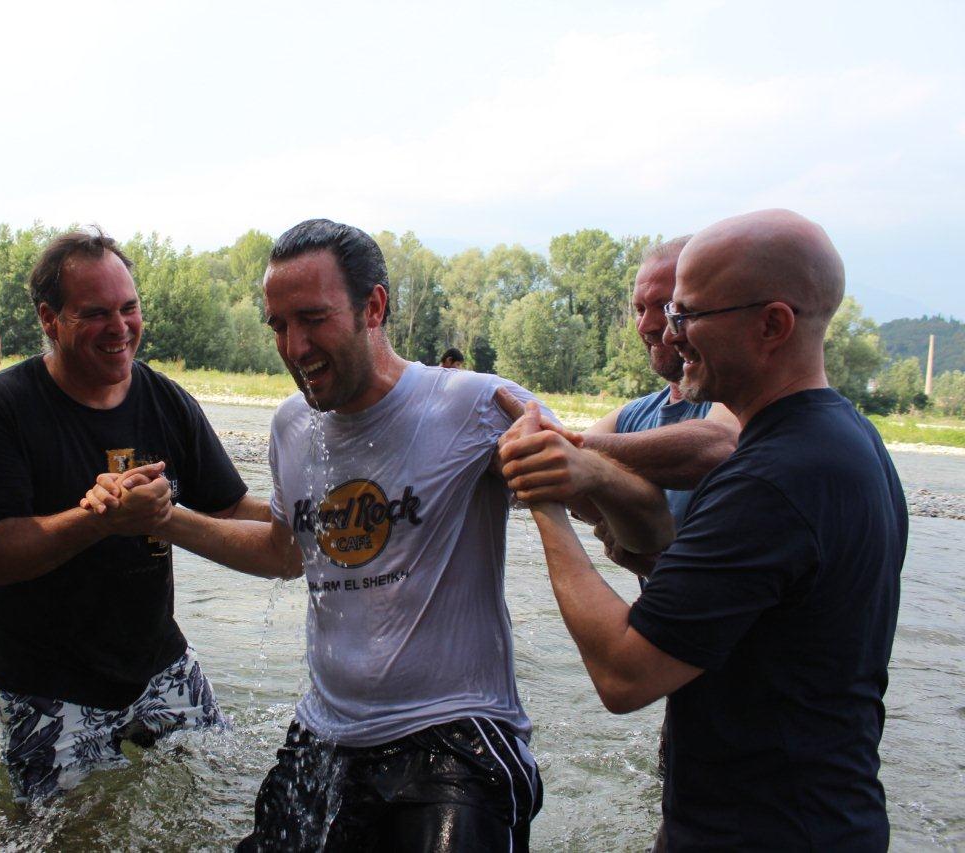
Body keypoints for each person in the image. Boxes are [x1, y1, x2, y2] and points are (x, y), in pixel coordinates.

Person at [87, 219, 673, 850]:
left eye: (313, 319)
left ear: (373, 307)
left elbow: (647, 527)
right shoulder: (291, 426)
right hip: (324, 738)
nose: (294, 346)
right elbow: (286, 551)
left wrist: (586, 471)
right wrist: (164, 519)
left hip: (458, 738)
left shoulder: (478, 405)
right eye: (278, 325)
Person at [499, 209, 907, 851]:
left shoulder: (770, 482)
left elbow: (624, 675)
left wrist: (547, 502)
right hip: (821, 816)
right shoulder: (850, 442)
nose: (669, 334)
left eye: (687, 315)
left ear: (773, 325)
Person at [0, 227, 271, 803]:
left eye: (129, 308)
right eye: (96, 313)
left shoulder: (167, 400)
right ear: (50, 319)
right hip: (46, 683)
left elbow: (230, 509)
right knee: (70, 832)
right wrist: (98, 520)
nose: (120, 327)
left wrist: (318, 511)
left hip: (160, 665)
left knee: (222, 796)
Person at [578, 236, 739, 577]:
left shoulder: (737, 398)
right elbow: (572, 482)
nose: (646, 326)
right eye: (639, 309)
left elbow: (718, 446)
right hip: (676, 607)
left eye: (666, 307)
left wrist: (562, 448)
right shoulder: (636, 414)